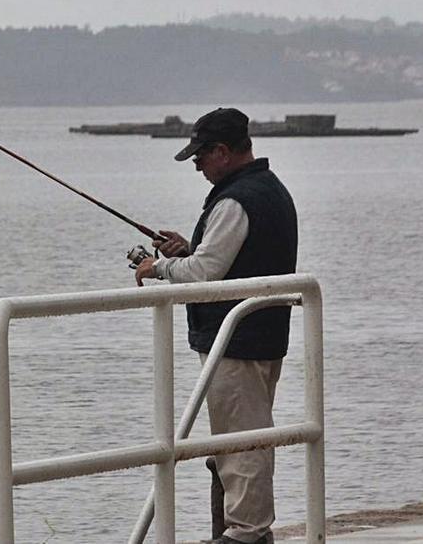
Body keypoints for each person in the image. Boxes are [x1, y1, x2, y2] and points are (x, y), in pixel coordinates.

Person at [133, 107, 297, 544]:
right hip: (262, 334)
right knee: (247, 435)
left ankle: (246, 533)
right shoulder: (269, 190)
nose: (198, 168)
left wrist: (159, 268)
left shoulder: (234, 200)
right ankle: (246, 529)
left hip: (236, 339)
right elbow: (231, 259)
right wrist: (189, 250)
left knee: (239, 439)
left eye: (200, 158)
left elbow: (205, 273)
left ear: (222, 152)